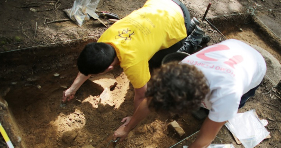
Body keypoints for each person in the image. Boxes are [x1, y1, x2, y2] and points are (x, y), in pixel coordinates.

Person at [113, 39, 267, 148]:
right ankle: (213, 117)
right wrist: (128, 127)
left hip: (254, 66)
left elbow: (204, 141)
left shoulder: (227, 96)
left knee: (217, 119)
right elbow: (149, 101)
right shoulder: (181, 70)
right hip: (232, 46)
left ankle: (215, 118)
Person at [62, 0, 210, 125]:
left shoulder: (133, 62)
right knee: (152, 48)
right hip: (161, 4)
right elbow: (89, 64)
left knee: (159, 62)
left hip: (179, 14)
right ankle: (186, 31)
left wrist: (133, 120)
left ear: (110, 68)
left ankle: (192, 37)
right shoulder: (104, 41)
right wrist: (72, 89)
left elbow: (142, 96)